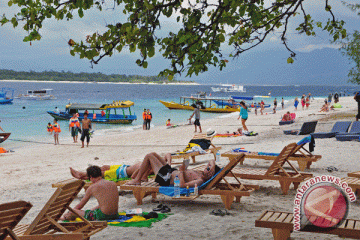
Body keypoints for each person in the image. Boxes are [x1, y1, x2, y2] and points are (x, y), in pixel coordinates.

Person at [126, 152, 220, 187]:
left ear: (210, 175)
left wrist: (182, 171)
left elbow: (182, 185)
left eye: (207, 169)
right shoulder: (201, 173)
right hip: (171, 171)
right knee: (154, 154)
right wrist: (212, 165)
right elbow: (211, 160)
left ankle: (137, 180)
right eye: (207, 168)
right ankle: (141, 177)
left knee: (149, 156)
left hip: (166, 178)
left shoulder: (199, 181)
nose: (206, 168)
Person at [69, 159, 160, 181]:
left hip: (123, 173)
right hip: (124, 167)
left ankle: (82, 175)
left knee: (102, 173)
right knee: (105, 167)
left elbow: (142, 176)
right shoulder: (156, 164)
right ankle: (84, 173)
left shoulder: (153, 170)